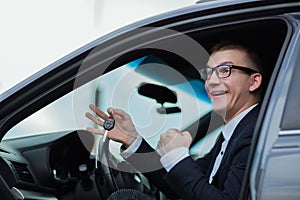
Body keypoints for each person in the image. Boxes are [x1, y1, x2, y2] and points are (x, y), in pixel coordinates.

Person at [85, 41, 264, 200]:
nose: (212, 82)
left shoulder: (255, 133)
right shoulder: (234, 134)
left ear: (253, 82)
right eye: (208, 73)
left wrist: (178, 155)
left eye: (225, 71)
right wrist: (132, 140)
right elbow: (182, 186)